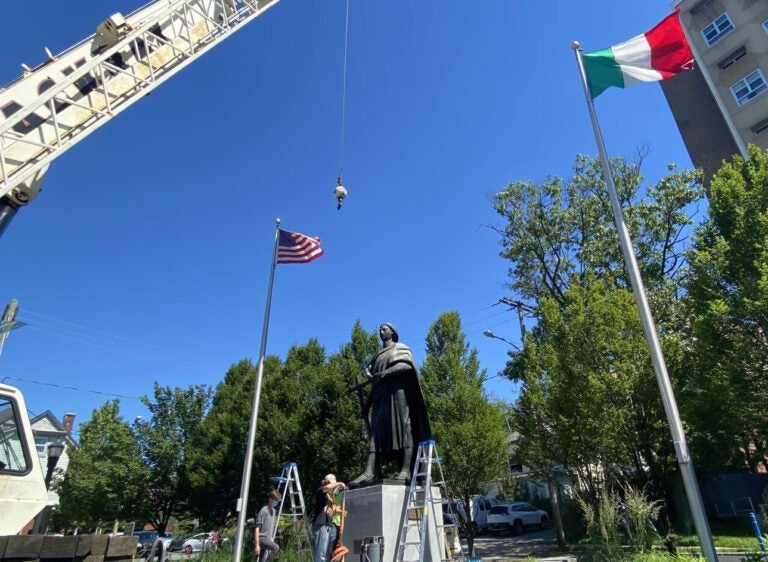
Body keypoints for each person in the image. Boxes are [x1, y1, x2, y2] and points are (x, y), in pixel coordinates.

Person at [351, 323, 431, 485]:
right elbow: (375, 383)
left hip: (398, 394)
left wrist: (384, 374)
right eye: (380, 330)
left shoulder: (401, 348)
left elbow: (406, 366)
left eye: (384, 329)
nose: (381, 332)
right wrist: (367, 404)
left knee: (404, 428)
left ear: (393, 332)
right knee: (376, 433)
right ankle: (369, 472)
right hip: (381, 397)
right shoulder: (376, 357)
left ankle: (405, 469)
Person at [312, 474, 345, 562]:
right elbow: (328, 487)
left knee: (326, 553)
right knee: (321, 553)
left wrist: (341, 511)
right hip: (321, 525)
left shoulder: (328, 496)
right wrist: (340, 483)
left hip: (328, 525)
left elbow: (333, 507)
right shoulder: (320, 490)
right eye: (333, 484)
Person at [254, 490, 281, 562]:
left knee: (261, 560)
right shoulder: (264, 511)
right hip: (262, 539)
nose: (276, 503)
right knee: (276, 547)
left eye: (277, 501)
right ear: (270, 499)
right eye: (275, 500)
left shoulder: (274, 511)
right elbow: (257, 529)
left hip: (268, 539)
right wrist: (257, 545)